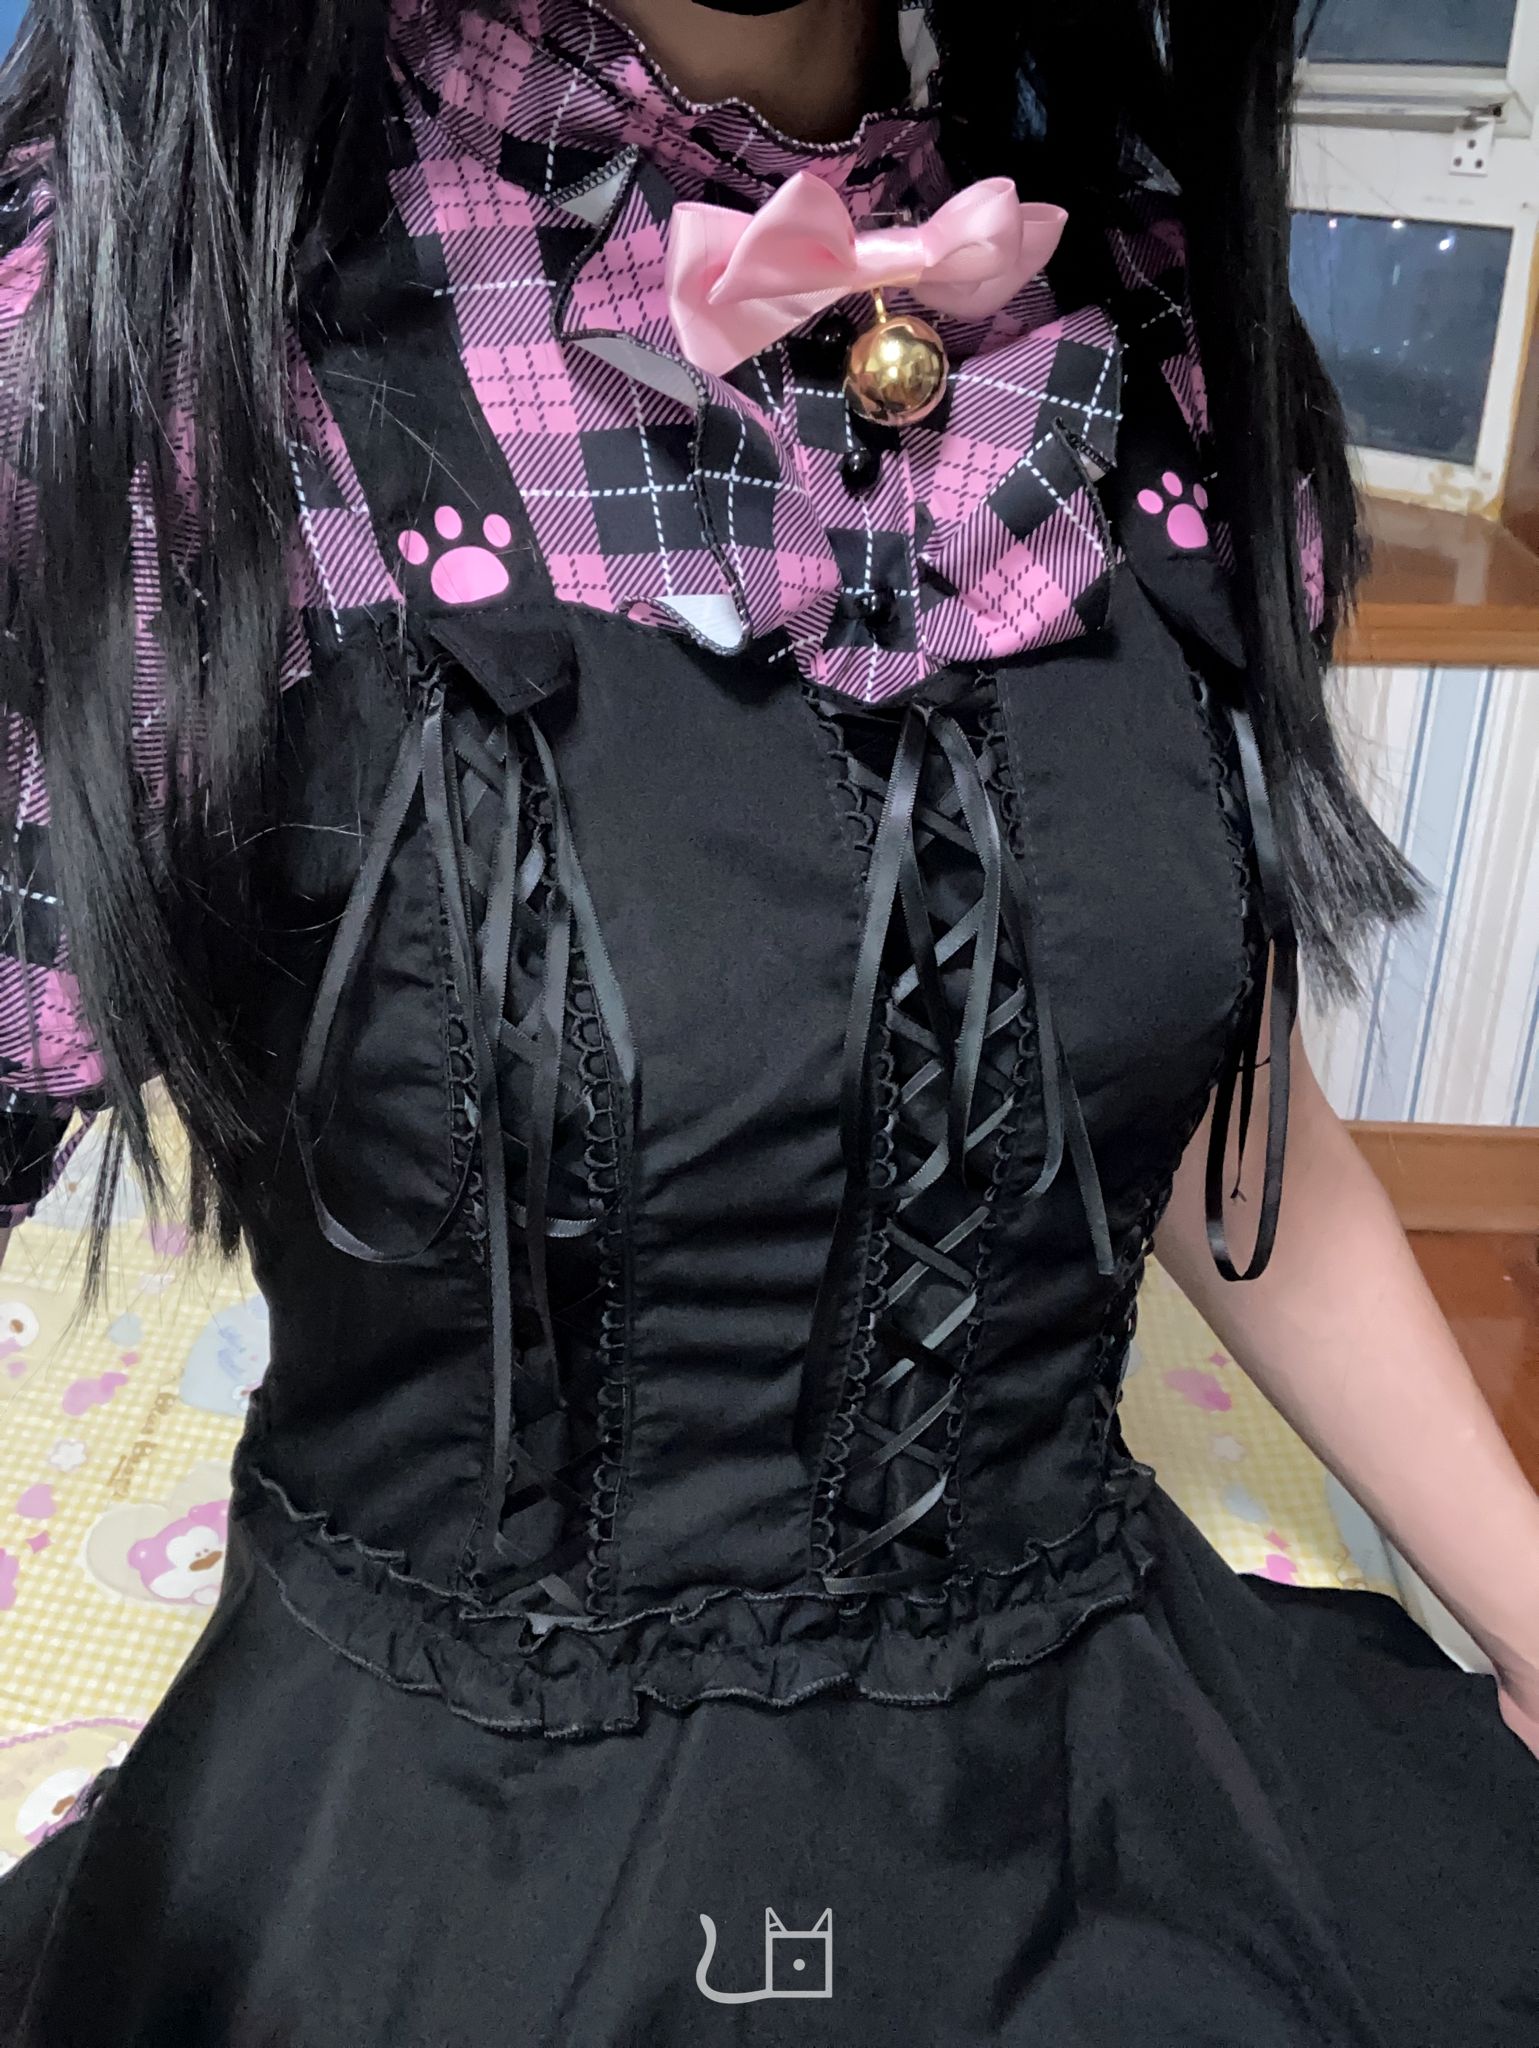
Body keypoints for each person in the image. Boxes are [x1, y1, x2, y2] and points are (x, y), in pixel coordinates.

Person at [0, 0, 1536, 2039]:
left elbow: (1186, 1100)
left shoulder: (1139, 325)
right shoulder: (154, 345)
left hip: (1091, 1792)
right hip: (443, 1872)